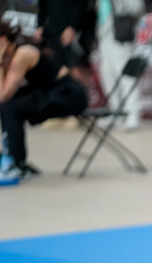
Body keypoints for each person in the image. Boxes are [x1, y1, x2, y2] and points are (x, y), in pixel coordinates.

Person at [0, 19, 89, 181]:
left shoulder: (23, 54)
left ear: (4, 40)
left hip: (70, 94)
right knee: (9, 105)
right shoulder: (10, 57)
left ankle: (16, 163)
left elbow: (3, 95)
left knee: (9, 106)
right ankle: (15, 159)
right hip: (51, 93)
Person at [95, 0, 145, 131]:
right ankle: (116, 111)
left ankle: (133, 113)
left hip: (121, 32)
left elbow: (137, 7)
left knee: (126, 74)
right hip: (105, 32)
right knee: (107, 73)